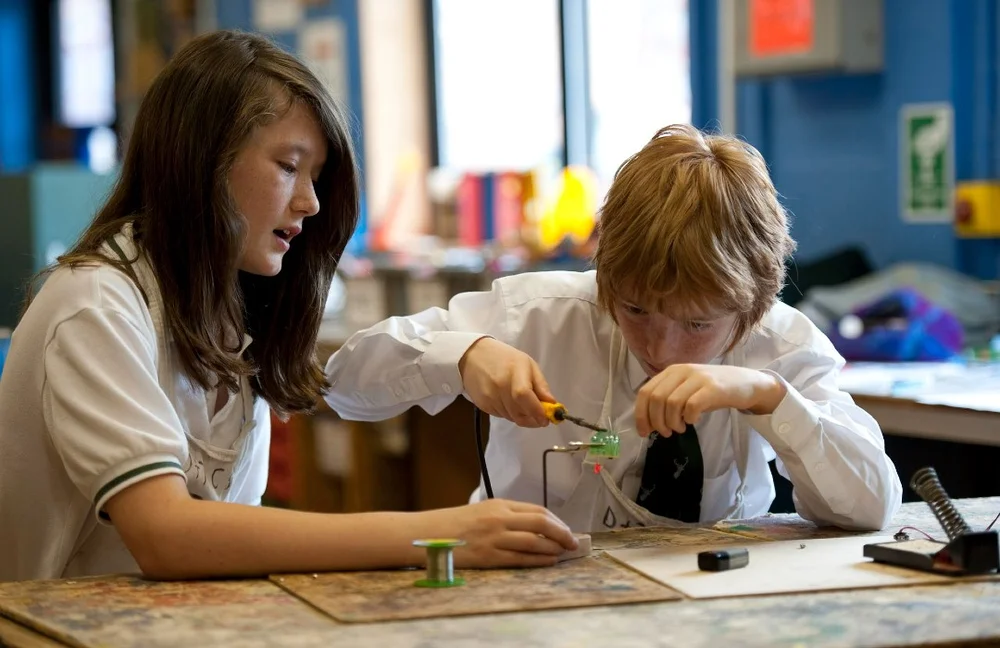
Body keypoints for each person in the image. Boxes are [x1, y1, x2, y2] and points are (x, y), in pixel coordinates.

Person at [0, 30, 576, 583]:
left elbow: (235, 529)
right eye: (288, 166)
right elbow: (165, 534)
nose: (311, 202)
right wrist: (438, 535)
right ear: (201, 160)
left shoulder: (233, 311)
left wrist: (463, 356)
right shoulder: (97, 303)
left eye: (316, 176)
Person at [325, 124, 903, 533]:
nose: (661, 347)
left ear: (750, 307)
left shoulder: (780, 345)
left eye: (698, 323)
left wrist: (770, 398)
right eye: (635, 310)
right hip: (531, 594)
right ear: (605, 277)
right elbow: (342, 384)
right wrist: (462, 355)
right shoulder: (538, 314)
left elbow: (873, 506)